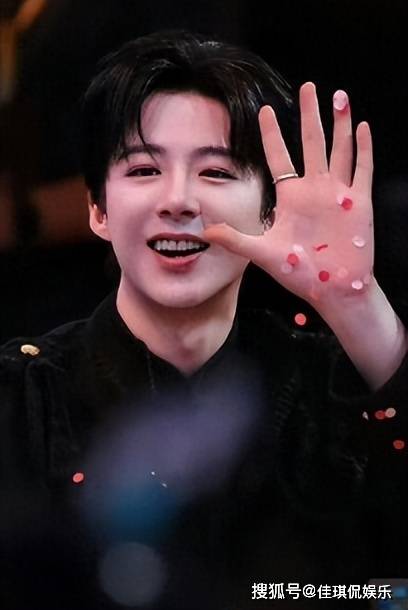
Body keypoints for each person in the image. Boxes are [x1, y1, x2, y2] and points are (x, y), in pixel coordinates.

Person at [1, 29, 407, 610]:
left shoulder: (330, 392)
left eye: (216, 172)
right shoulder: (21, 395)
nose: (179, 200)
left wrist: (357, 304)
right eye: (144, 170)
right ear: (98, 209)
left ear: (269, 212)